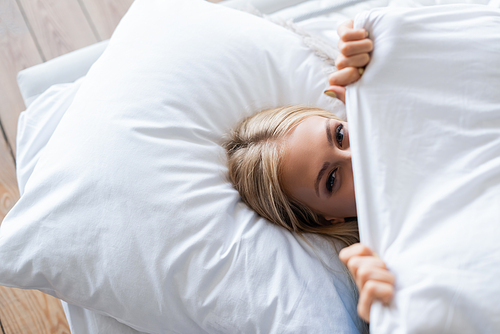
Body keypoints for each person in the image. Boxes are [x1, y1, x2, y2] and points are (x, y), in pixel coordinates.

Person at [223, 20, 394, 323]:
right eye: (331, 180)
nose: (357, 155)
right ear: (328, 218)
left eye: (339, 135)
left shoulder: (396, 99)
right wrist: (391, 315)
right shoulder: (381, 264)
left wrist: (388, 58)